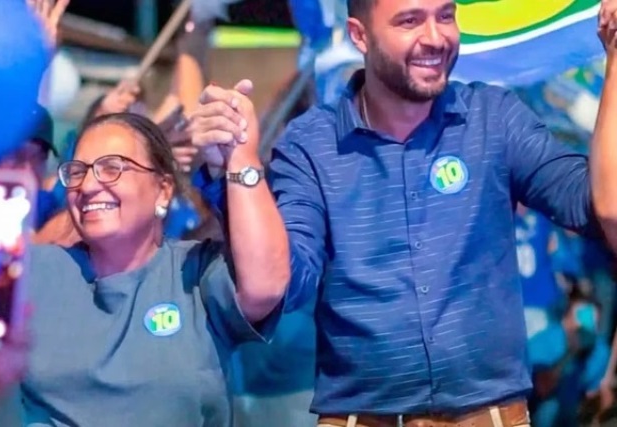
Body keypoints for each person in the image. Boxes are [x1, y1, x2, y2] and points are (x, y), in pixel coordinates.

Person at [189, 0, 617, 425]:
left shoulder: (495, 118)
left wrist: (615, 61)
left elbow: (601, 208)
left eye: (445, 16)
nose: (435, 37)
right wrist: (235, 167)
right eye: (410, 21)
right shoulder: (311, 143)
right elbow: (284, 280)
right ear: (359, 35)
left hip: (489, 416)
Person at [0, 110, 288, 426]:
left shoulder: (195, 273)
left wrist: (240, 157)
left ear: (163, 189)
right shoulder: (34, 271)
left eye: (112, 168)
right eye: (77, 172)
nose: (88, 185)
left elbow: (265, 287)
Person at [528, 288, 610, 427]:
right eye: (581, 319)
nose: (585, 329)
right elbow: (542, 389)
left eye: (591, 323)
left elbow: (592, 392)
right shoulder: (543, 343)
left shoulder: (599, 351)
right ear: (565, 320)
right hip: (539, 409)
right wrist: (570, 354)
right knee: (551, 407)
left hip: (573, 411)